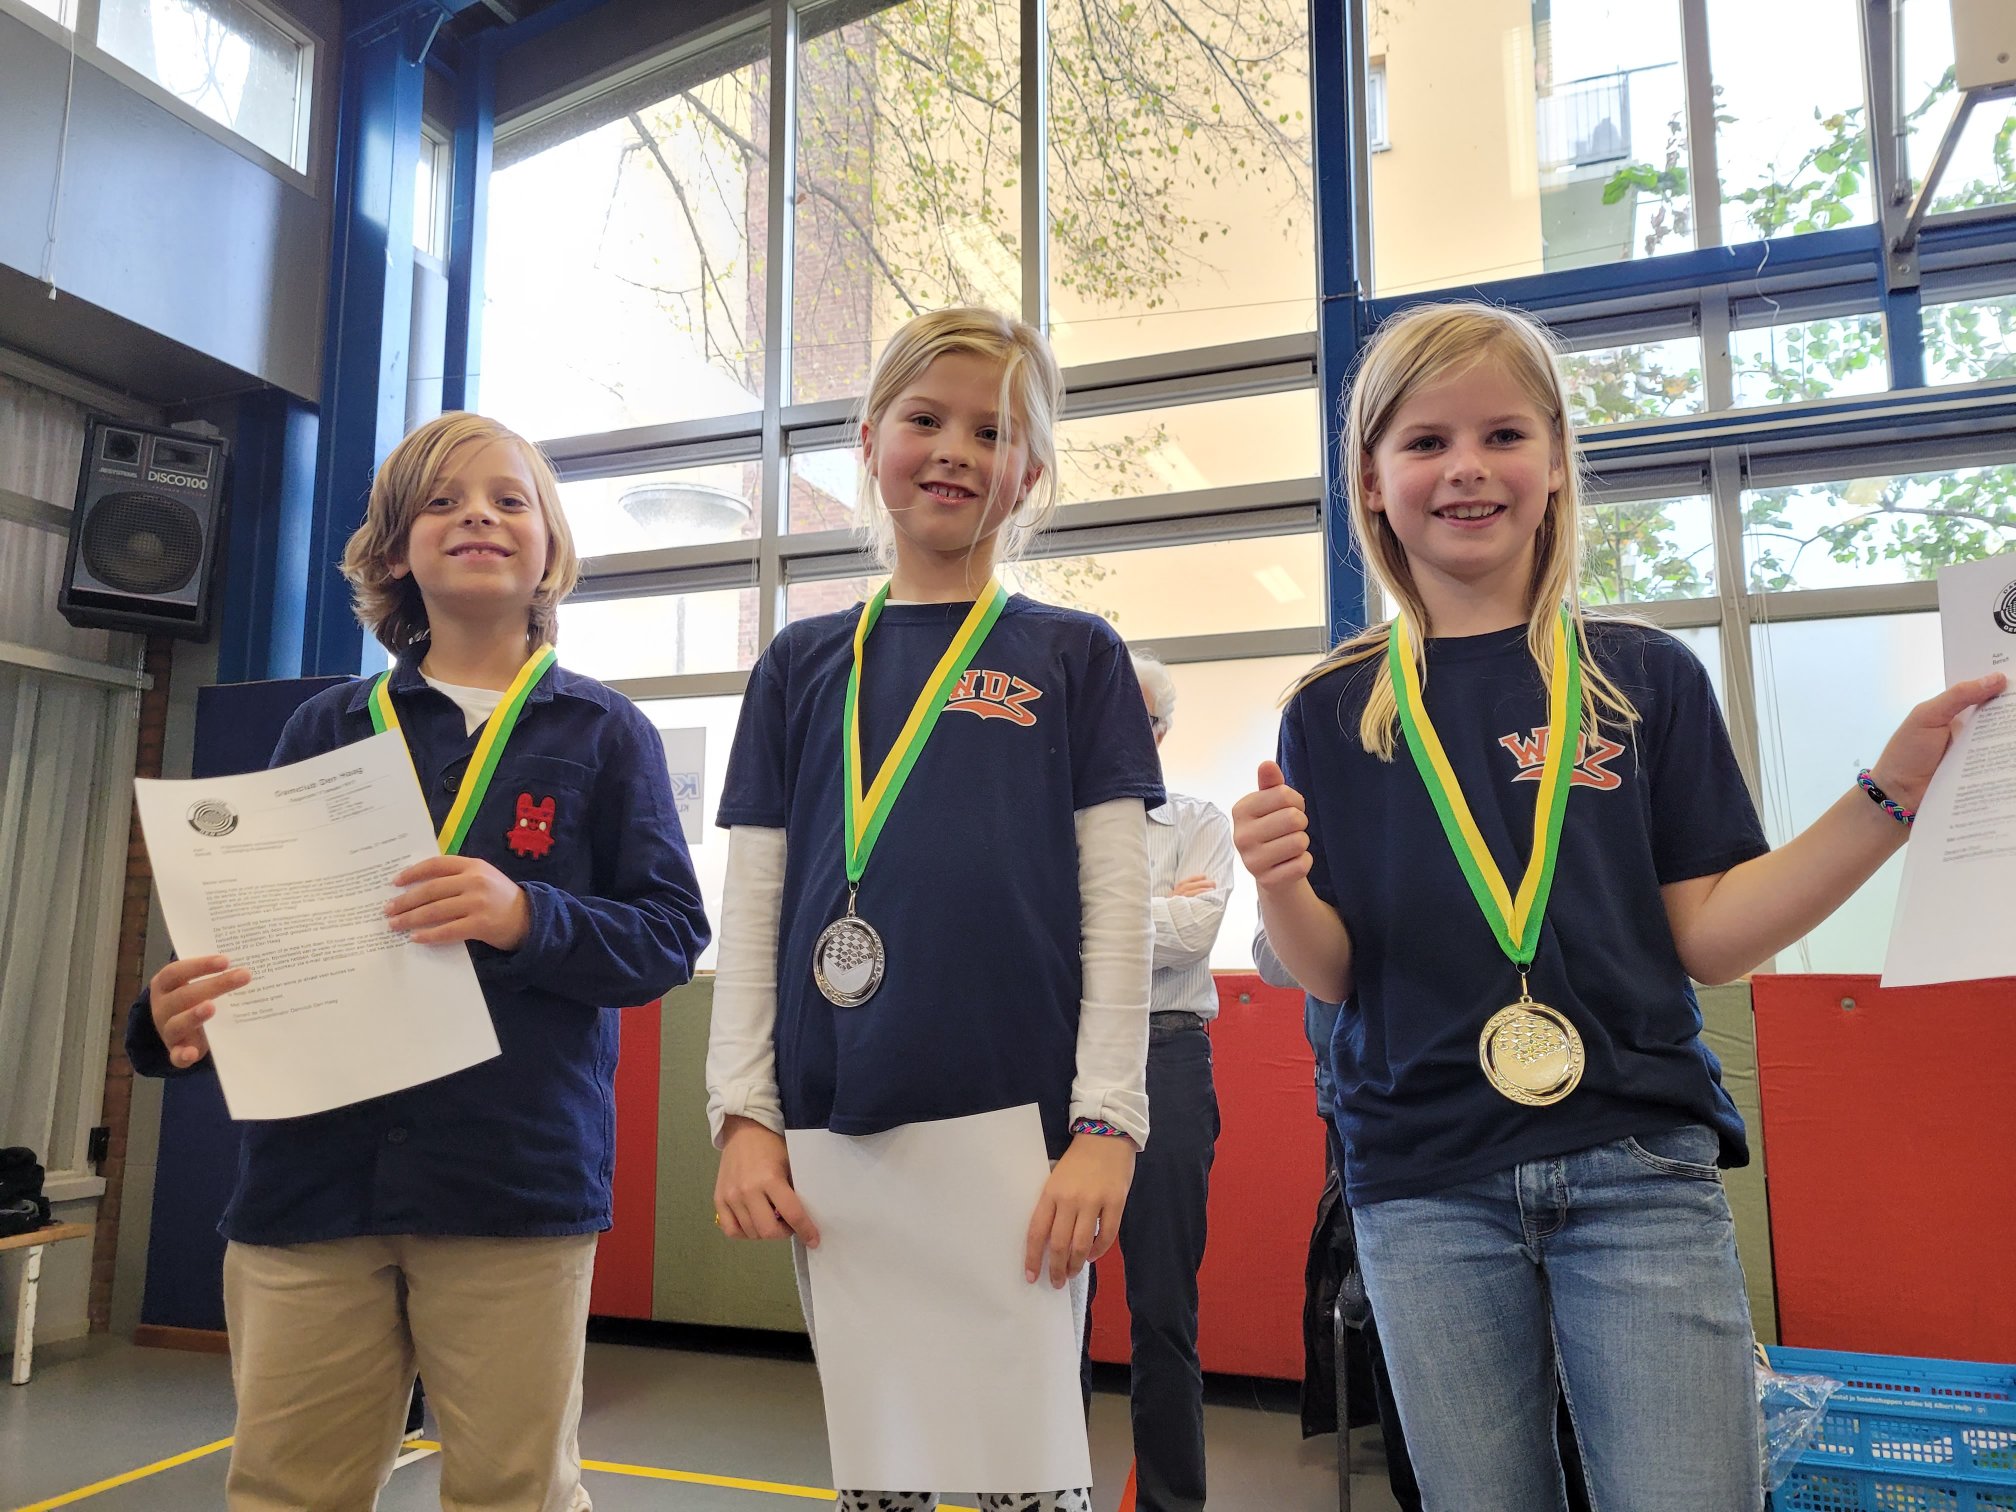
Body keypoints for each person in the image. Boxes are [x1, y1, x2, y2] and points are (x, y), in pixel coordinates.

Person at [1231, 300, 2005, 1512]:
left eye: (1503, 434)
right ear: (1372, 482)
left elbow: (1711, 935)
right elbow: (1331, 974)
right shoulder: (1335, 709)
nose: (1467, 466)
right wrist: (1281, 889)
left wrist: (1888, 795)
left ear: (1555, 463)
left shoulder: (1643, 677)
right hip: (1424, 1179)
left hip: (1635, 1162)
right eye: (1426, 442)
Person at [129, 411, 710, 1512]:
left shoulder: (604, 733)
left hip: (512, 1184)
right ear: (396, 549)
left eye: (507, 499)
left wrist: (525, 916)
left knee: (514, 1491)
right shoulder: (327, 727)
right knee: (286, 1490)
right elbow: (265, 929)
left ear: (549, 546)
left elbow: (670, 935)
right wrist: (173, 1012)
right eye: (442, 501)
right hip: (312, 1182)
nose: (477, 517)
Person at [704, 305, 1164, 1512]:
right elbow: (753, 909)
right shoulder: (800, 666)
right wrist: (741, 1113)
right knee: (884, 1480)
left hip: (1024, 1143)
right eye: (926, 419)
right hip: (837, 1134)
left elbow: (1118, 912)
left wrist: (1107, 1123)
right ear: (870, 441)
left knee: (1029, 1483)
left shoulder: (1077, 656)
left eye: (993, 431)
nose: (956, 449)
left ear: (1032, 473)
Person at [1095, 648, 1233, 1512]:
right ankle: (1047, 1489)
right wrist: (1158, 913)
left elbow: (1197, 932)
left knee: (1164, 1309)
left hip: (1168, 1056)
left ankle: (1173, 1503)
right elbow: (1037, 937)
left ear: (1161, 732)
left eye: (1139, 719)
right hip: (1064, 1059)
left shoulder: (1199, 820)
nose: (1123, 732)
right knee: (1051, 1299)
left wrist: (1096, 924)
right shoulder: (1052, 823)